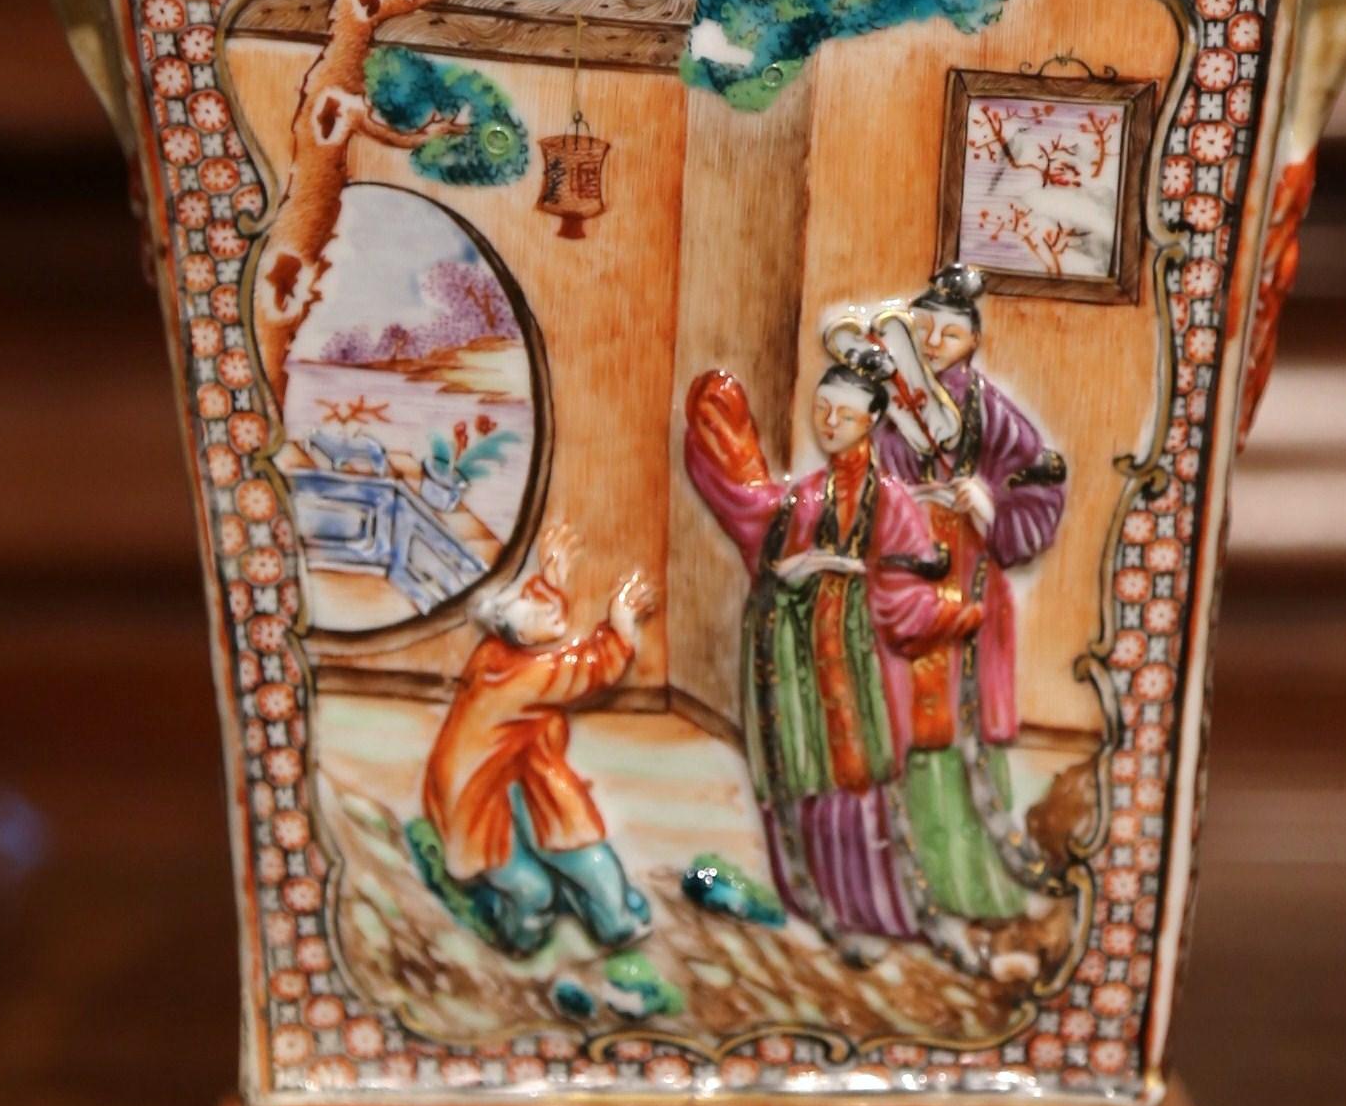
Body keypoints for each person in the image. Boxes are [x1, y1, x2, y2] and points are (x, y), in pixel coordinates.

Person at [682, 347, 974, 966]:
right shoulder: (802, 499)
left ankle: (895, 910)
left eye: (844, 413)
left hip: (856, 656)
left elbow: (904, 589)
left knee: (861, 776)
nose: (830, 423)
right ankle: (818, 905)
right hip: (789, 652)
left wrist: (944, 613)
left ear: (872, 419)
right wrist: (794, 569)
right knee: (803, 771)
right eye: (823, 410)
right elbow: (759, 529)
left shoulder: (889, 500)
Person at [874, 262, 1067, 921]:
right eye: (923, 330)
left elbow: (1041, 483)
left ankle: (984, 869)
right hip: (909, 580)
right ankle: (921, 877)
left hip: (974, 577)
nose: (933, 343)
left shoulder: (990, 409)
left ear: (973, 338)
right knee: (913, 725)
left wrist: (986, 503)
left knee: (968, 721)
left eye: (949, 333)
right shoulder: (897, 408)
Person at [416, 522, 655, 957]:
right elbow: (590, 668)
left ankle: (604, 911)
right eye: (535, 609)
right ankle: (519, 932)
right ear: (519, 636)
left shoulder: (494, 657)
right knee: (533, 888)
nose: (548, 611)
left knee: (568, 834)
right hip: (477, 801)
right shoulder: (522, 679)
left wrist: (551, 581)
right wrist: (620, 623)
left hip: (506, 776)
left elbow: (541, 626)